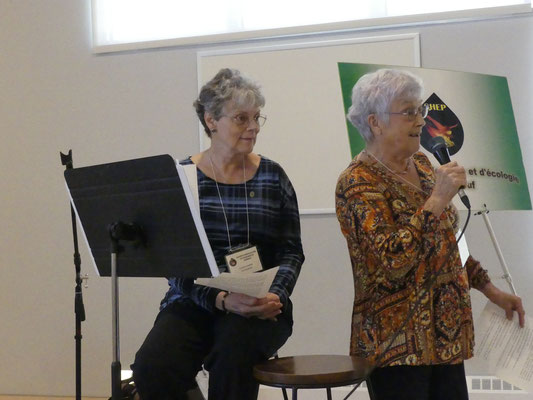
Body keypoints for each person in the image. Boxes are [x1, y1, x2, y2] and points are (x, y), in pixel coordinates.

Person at [335, 69, 525, 400]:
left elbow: (448, 243)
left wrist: (489, 289)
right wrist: (437, 200)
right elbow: (392, 259)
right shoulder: (358, 183)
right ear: (376, 123)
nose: (422, 121)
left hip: (446, 335)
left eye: (421, 110)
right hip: (397, 343)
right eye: (409, 112)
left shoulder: (423, 165)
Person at [132, 68, 304, 400]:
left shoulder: (273, 176)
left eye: (256, 118)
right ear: (211, 120)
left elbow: (292, 251)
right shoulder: (182, 178)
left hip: (258, 304)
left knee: (232, 357)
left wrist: (275, 296)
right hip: (193, 301)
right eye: (241, 118)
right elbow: (173, 261)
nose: (252, 127)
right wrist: (220, 299)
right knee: (152, 365)